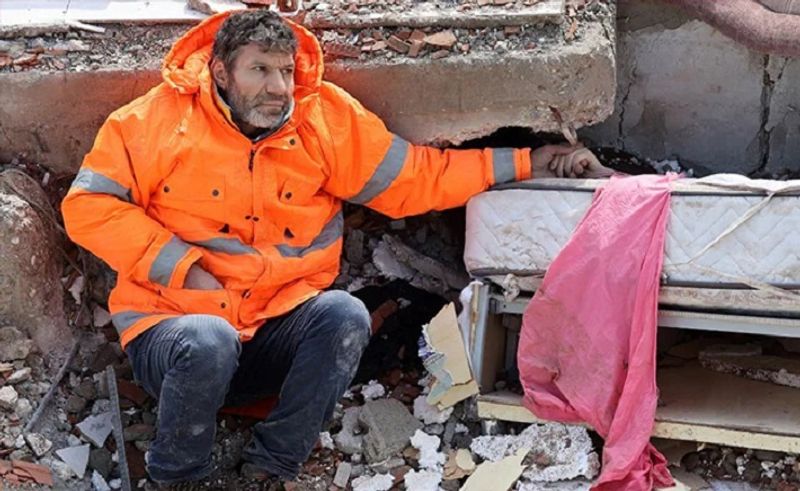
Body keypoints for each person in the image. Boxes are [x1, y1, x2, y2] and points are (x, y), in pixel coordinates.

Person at [61, 8, 612, 488]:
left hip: (275, 332)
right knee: (207, 340)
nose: (279, 87)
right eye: (260, 70)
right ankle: (176, 476)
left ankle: (267, 470)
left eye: (285, 71)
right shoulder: (151, 121)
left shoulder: (323, 117)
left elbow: (415, 178)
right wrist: (185, 268)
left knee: (345, 314)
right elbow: (86, 208)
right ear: (221, 71)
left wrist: (525, 162)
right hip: (178, 334)